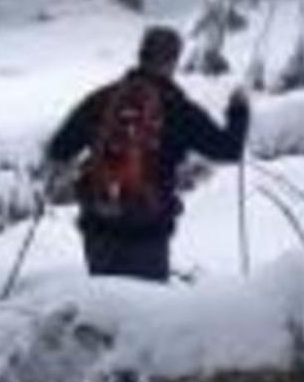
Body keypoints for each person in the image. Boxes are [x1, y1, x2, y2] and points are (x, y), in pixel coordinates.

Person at [44, 24, 248, 283]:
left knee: (103, 307)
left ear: (141, 54)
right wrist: (238, 111)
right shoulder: (177, 108)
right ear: (173, 61)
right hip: (147, 227)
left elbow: (59, 149)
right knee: (143, 313)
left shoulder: (103, 99)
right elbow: (228, 150)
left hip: (98, 223)